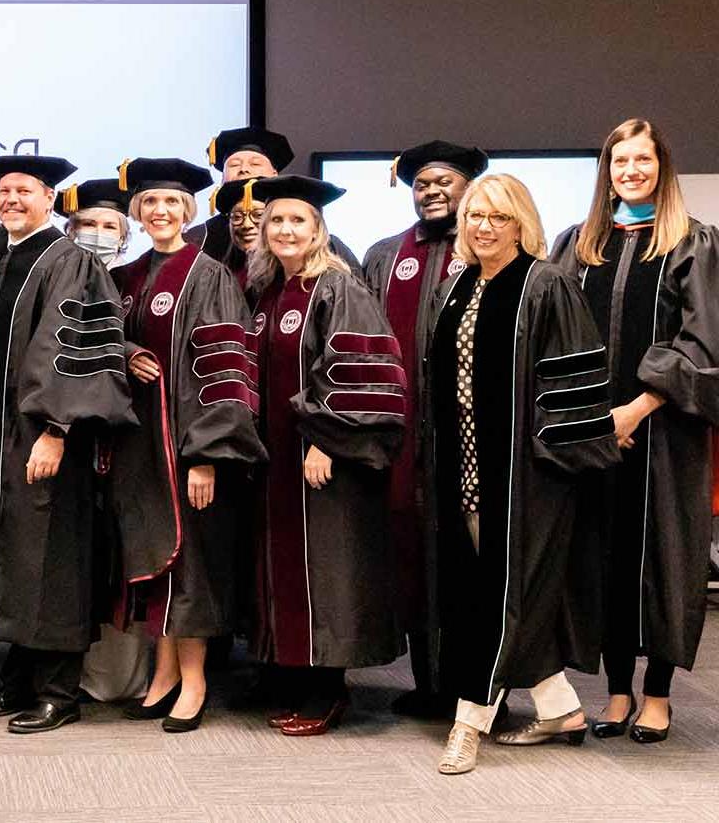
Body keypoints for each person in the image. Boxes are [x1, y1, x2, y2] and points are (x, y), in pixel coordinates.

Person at [428, 174, 620, 774]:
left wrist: (547, 458)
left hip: (527, 473)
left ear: (521, 223)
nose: (484, 227)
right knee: (481, 585)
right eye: (476, 216)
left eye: (499, 217)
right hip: (463, 461)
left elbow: (573, 383)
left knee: (499, 593)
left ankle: (469, 721)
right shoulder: (459, 285)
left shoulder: (547, 285)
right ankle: (559, 706)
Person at [551, 119, 719, 744]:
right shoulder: (580, 244)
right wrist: (592, 417)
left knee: (665, 559)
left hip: (665, 435)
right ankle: (617, 690)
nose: (631, 170)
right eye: (620, 160)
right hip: (594, 433)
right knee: (604, 558)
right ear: (607, 170)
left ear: (662, 167)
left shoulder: (692, 244)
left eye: (642, 160)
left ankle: (658, 695)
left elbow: (702, 343)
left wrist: (638, 407)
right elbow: (557, 338)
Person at [0, 154, 137, 734]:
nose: (11, 198)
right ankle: (20, 675)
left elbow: (76, 352)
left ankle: (59, 689)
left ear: (50, 199)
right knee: (13, 555)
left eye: (24, 190)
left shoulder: (72, 263)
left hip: (44, 439)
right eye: (4, 190)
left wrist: (56, 431)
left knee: (52, 558)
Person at [105, 158, 266, 733]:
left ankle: (194, 681)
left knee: (192, 566)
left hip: (188, 449)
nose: (160, 212)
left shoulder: (208, 275)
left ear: (189, 211)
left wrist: (207, 455)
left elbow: (227, 371)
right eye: (149, 203)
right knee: (157, 560)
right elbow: (106, 342)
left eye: (171, 203)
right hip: (139, 449)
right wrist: (124, 355)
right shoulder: (128, 277)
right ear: (138, 212)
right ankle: (164, 674)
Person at [246, 175, 404, 736]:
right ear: (263, 231)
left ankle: (328, 690)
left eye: (297, 221)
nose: (285, 229)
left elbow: (359, 373)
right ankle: (295, 678)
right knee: (288, 565)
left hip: (324, 460)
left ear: (319, 230)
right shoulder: (268, 292)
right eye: (276, 221)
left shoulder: (339, 288)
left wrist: (324, 440)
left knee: (328, 569)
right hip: (276, 465)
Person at [360, 140, 490, 718]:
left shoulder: (491, 250)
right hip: (404, 435)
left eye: (446, 181)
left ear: (469, 188)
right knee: (411, 555)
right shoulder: (384, 256)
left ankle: (477, 689)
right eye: (422, 183)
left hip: (470, 436)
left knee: (471, 559)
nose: (433, 190)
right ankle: (427, 682)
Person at [188, 127, 360, 270]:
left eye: (255, 164)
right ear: (223, 178)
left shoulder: (318, 242)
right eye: (234, 165)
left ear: (274, 175)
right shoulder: (199, 239)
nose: (244, 170)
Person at [61, 178, 131, 267]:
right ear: (72, 231)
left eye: (109, 227)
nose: (99, 233)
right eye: (89, 224)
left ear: (122, 238)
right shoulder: (56, 273)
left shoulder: (132, 278)